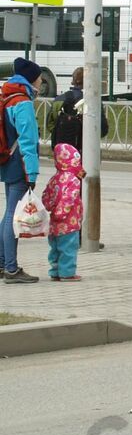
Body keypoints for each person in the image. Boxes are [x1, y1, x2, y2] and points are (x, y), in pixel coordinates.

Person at [0, 57, 43, 283]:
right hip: (20, 164)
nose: (41, 82)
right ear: (30, 79)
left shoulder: (7, 96)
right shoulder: (23, 102)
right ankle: (11, 269)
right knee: (13, 218)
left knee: (8, 215)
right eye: (38, 78)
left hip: (8, 161)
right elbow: (28, 140)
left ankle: (2, 263)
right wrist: (32, 174)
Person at [42, 143, 84, 282]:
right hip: (69, 222)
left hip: (54, 223)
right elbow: (69, 198)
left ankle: (55, 271)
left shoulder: (55, 178)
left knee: (55, 248)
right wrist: (62, 213)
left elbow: (46, 196)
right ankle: (67, 273)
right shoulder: (73, 179)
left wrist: (51, 209)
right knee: (69, 248)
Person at [48, 66, 109, 152]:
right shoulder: (93, 101)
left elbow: (50, 124)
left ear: (73, 80)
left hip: (63, 151)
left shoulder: (59, 99)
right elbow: (102, 129)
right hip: (87, 151)